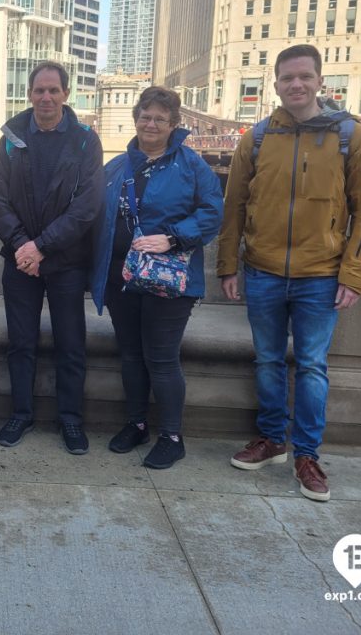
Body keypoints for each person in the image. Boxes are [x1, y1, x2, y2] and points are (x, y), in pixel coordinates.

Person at [218, 44, 361, 502]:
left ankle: (307, 455)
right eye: (287, 77)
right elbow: (233, 207)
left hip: (321, 275)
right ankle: (272, 440)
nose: (296, 85)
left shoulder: (351, 136)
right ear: (275, 83)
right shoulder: (257, 137)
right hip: (264, 271)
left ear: (319, 81)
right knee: (267, 361)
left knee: (311, 366)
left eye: (304, 77)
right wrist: (229, 264)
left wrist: (354, 273)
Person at [91, 87, 223, 469]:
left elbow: (213, 212)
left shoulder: (191, 165)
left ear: (174, 124)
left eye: (160, 119)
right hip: (122, 278)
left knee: (162, 358)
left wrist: (173, 237)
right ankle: (136, 423)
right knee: (131, 355)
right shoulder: (116, 167)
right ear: (136, 119)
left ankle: (171, 436)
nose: (150, 124)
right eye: (145, 116)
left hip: (169, 279)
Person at [0, 62, 104, 454]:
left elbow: (88, 206)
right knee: (20, 343)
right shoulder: (10, 137)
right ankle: (21, 413)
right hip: (20, 261)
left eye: (54, 90)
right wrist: (24, 246)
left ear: (65, 94)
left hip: (66, 261)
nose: (46, 97)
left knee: (70, 344)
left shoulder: (86, 140)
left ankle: (70, 420)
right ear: (30, 94)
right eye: (39, 90)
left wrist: (43, 246)